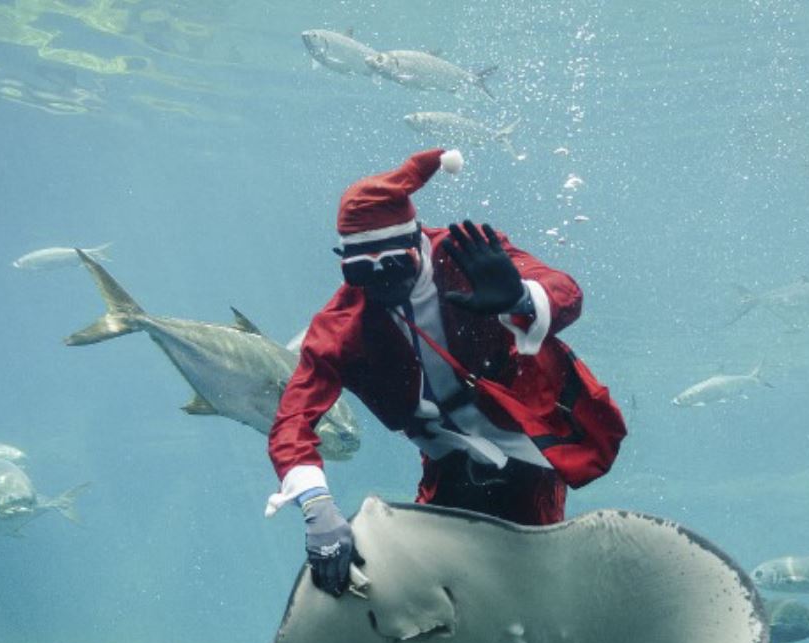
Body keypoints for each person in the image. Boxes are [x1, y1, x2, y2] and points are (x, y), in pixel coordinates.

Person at [265, 147, 626, 596]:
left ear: (416, 238)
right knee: (431, 587)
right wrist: (316, 505)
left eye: (395, 265)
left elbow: (564, 290)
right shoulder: (340, 325)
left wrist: (519, 297)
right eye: (362, 272)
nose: (382, 282)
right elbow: (292, 421)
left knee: (536, 582)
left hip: (526, 443)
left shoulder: (462, 256)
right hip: (444, 459)